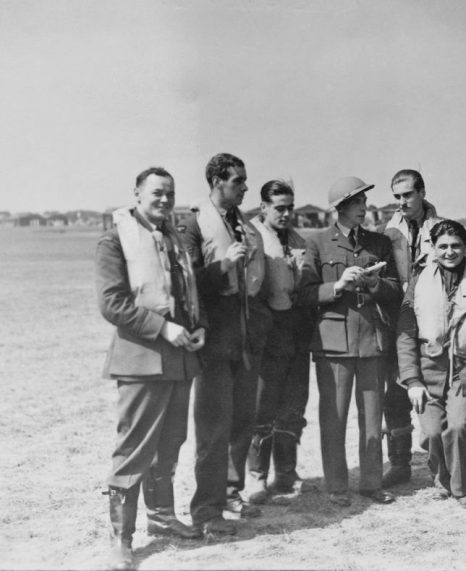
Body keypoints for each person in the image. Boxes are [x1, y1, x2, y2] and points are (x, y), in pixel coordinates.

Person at [96, 167, 205, 570]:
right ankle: (120, 540)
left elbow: (188, 293)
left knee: (170, 444)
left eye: (170, 194)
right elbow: (113, 304)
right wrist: (163, 327)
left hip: (179, 359)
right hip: (141, 361)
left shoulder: (174, 239)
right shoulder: (113, 240)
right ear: (137, 194)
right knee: (134, 451)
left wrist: (200, 327)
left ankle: (161, 519)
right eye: (157, 193)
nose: (164, 200)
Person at [299, 176, 402, 506]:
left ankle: (371, 483)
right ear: (341, 207)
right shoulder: (317, 243)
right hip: (333, 344)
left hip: (371, 340)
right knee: (334, 418)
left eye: (364, 202)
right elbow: (304, 293)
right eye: (358, 202)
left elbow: (395, 290)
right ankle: (336, 486)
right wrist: (338, 287)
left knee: (372, 418)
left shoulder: (379, 242)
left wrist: (374, 284)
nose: (364, 207)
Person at [180, 153, 267, 535]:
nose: (246, 187)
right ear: (217, 181)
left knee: (242, 422)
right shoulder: (193, 226)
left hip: (246, 339)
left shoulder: (242, 225)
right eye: (238, 181)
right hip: (214, 341)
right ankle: (206, 510)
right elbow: (186, 285)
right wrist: (225, 266)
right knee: (214, 428)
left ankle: (232, 492)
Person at [396, 219, 466, 507]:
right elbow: (405, 332)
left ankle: (460, 487)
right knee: (431, 432)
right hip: (428, 367)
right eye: (443, 246)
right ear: (433, 248)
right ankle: (440, 477)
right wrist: (412, 380)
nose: (450, 252)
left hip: (465, 367)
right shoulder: (418, 282)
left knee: (458, 427)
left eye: (456, 246)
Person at [244, 180, 313, 502]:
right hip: (266, 334)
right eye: (279, 208)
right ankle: (256, 476)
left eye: (290, 208)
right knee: (262, 407)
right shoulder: (252, 238)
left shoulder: (299, 240)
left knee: (293, 406)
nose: (286, 214)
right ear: (264, 208)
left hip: (296, 333)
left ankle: (285, 473)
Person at [377, 169, 441, 488]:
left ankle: (439, 461)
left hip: (431, 318)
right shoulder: (387, 233)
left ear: (422, 191)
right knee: (395, 393)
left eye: (408, 195)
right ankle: (400, 462)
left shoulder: (441, 228)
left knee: (432, 386)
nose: (402, 202)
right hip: (396, 319)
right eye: (397, 197)